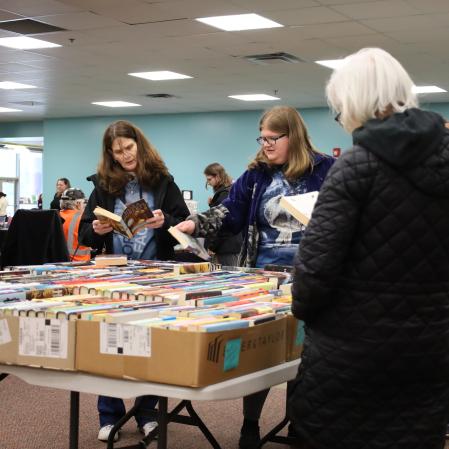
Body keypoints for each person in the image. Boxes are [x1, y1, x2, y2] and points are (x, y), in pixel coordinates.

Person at [288, 47, 449, 449]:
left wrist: (304, 309)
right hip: (431, 347)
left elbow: (314, 276)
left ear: (352, 102)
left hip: (353, 352)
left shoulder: (356, 166)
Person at [175, 105, 335, 449]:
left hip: (311, 277)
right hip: (263, 277)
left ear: (293, 136)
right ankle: (251, 424)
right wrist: (196, 223)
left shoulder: (326, 170)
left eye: (273, 138)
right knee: (263, 353)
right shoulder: (256, 176)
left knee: (304, 353)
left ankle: (297, 423)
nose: (266, 145)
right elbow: (229, 212)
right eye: (261, 138)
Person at [79, 120, 190, 443]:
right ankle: (109, 414)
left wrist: (164, 220)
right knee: (108, 345)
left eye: (129, 148)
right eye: (118, 152)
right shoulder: (102, 183)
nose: (125, 156)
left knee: (152, 346)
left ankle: (146, 413)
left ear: (138, 144)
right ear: (110, 156)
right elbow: (85, 232)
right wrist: (96, 230)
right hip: (114, 276)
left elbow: (182, 222)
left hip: (155, 275)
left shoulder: (162, 180)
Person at [203, 163, 242, 266]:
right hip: (231, 245)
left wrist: (212, 246)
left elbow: (222, 224)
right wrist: (212, 205)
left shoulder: (224, 195)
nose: (208, 183)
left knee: (228, 278)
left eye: (209, 179)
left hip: (226, 247)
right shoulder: (229, 190)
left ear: (218, 176)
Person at [59, 188, 91, 262]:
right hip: (81, 265)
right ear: (78, 203)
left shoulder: (56, 216)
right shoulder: (83, 218)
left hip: (60, 263)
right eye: (83, 203)